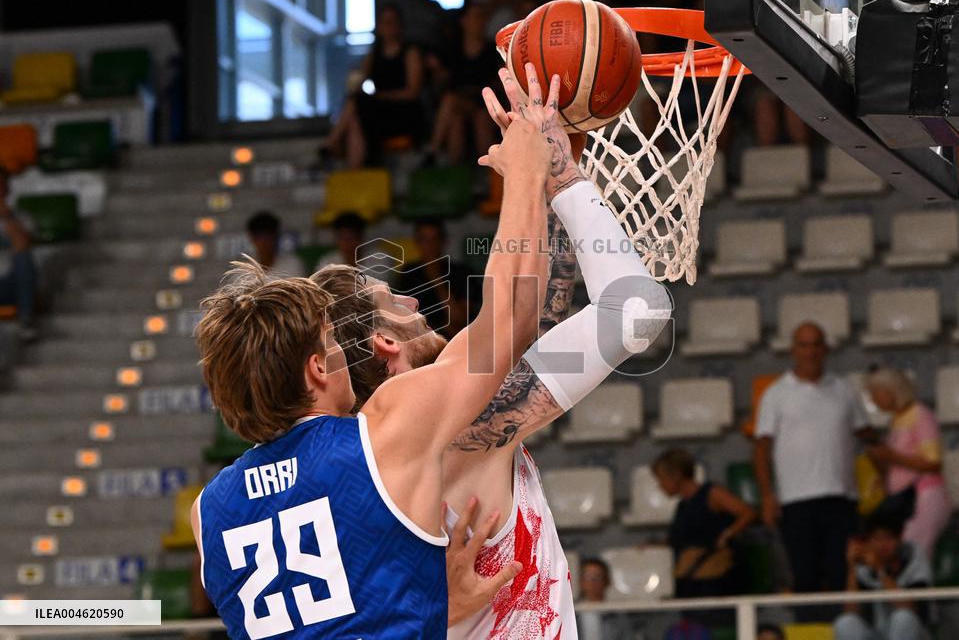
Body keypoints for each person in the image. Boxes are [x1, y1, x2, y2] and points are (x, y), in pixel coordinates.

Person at [313, 65, 671, 638]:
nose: (410, 295)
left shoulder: (364, 468)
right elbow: (635, 310)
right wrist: (561, 175)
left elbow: (537, 323)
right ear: (384, 344)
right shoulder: (465, 431)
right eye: (391, 299)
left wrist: (545, 167)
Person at [191, 79, 556, 638]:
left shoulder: (207, 512)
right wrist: (529, 171)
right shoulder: (379, 435)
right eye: (332, 344)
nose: (340, 347)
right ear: (316, 368)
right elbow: (513, 316)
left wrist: (436, 602)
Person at [754, 322, 876, 596]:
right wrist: (767, 495)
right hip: (796, 501)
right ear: (793, 350)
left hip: (840, 497)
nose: (810, 352)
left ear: (826, 349)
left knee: (841, 572)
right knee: (804, 574)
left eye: (816, 344)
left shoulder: (844, 389)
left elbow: (866, 433)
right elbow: (762, 447)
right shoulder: (776, 394)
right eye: (804, 345)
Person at [864, 367, 951, 559]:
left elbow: (933, 462)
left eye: (875, 393)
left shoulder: (920, 414)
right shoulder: (897, 420)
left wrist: (891, 456)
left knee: (914, 556)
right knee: (904, 557)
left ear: (891, 390)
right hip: (904, 499)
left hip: (923, 497)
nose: (873, 400)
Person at [325, 4, 425, 168]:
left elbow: (413, 92)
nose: (389, 26)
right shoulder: (374, 55)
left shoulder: (411, 52)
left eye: (393, 21)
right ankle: (355, 169)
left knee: (357, 106)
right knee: (355, 114)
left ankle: (332, 143)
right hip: (379, 112)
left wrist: (380, 96)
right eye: (385, 22)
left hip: (404, 113)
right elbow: (357, 83)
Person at [653, 449, 756, 599]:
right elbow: (678, 539)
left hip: (716, 579)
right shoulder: (682, 505)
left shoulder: (712, 494)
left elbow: (748, 513)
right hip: (689, 582)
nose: (660, 485)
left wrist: (727, 535)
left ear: (676, 475)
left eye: (661, 479)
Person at [833, 509, 932, 640]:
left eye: (888, 538)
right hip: (877, 633)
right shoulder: (863, 565)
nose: (882, 545)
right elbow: (851, 611)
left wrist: (880, 570)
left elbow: (910, 608)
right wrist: (852, 566)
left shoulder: (914, 556)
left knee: (903, 617)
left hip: (914, 633)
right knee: (845, 623)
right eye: (876, 538)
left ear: (900, 539)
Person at [426, 2, 500, 165]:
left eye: (482, 17)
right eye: (475, 17)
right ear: (464, 21)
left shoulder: (492, 50)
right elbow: (444, 81)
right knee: (455, 121)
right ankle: (458, 174)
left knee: (474, 114)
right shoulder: (453, 49)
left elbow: (496, 84)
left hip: (483, 103)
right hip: (459, 104)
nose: (479, 21)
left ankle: (433, 150)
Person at [394, 217, 479, 338]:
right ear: (416, 242)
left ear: (443, 241)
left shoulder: (460, 272)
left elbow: (459, 318)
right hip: (421, 338)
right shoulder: (409, 273)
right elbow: (403, 318)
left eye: (434, 239)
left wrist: (436, 279)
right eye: (424, 240)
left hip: (456, 339)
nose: (430, 246)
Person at [0, 170, 38, 342]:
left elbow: (22, 245)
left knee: (24, 259)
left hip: (7, 284)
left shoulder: (22, 217)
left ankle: (26, 321)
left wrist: (5, 215)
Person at [383, 0, 449, 53]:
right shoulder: (393, 7)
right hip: (401, 56)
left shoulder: (434, 7)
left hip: (434, 55)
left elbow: (446, 33)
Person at [576, 558, 631, 640]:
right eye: (588, 576)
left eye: (598, 576)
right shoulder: (572, 612)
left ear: (607, 581)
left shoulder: (618, 614)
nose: (593, 581)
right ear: (581, 581)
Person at [245, 211, 305, 277]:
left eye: (268, 237)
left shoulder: (293, 264)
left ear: (276, 237)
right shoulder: (244, 268)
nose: (265, 243)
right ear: (252, 238)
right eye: (260, 237)